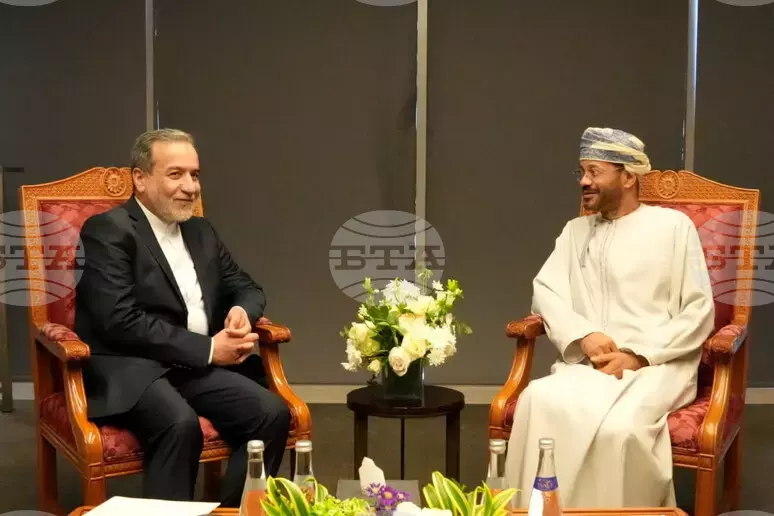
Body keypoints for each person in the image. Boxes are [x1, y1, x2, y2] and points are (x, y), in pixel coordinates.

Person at [74, 128, 290, 506]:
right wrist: (209, 349)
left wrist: (239, 312)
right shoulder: (108, 231)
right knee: (179, 424)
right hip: (132, 367)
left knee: (270, 414)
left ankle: (234, 513)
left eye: (195, 175)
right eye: (175, 174)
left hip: (190, 365)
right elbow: (119, 320)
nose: (190, 187)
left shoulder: (200, 230)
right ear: (140, 179)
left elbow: (247, 287)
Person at [504, 127, 715, 508]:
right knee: (537, 398)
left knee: (621, 430)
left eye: (594, 172)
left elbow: (698, 310)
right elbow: (546, 291)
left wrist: (636, 355)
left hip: (657, 365)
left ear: (628, 176)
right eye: (582, 171)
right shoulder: (575, 231)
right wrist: (584, 335)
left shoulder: (672, 227)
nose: (584, 181)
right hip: (590, 365)